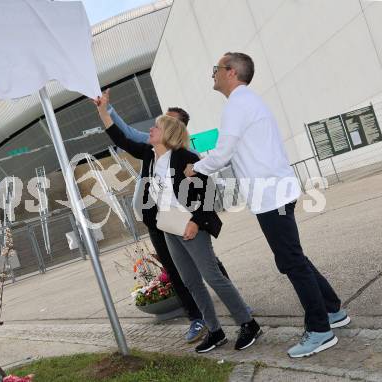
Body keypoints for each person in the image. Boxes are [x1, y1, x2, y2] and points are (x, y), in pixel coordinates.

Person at [184, 52, 350, 358]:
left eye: (216, 69)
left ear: (231, 72)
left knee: (291, 262)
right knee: (292, 258)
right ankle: (332, 310)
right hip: (273, 192)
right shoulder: (246, 102)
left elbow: (222, 154)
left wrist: (196, 168)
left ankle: (320, 330)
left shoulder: (237, 104)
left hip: (271, 195)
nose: (213, 74)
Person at [94, 97, 261, 353]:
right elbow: (122, 139)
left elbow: (208, 191)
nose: (150, 130)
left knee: (212, 277)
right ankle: (215, 332)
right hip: (168, 228)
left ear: (168, 133)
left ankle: (248, 324)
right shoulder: (150, 156)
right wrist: (103, 111)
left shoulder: (185, 157)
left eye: (156, 127)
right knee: (190, 281)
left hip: (190, 226)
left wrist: (196, 222)